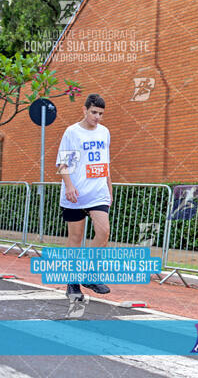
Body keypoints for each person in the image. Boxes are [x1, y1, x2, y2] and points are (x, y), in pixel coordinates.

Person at [56, 94, 112, 300]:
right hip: (75, 195)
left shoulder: (104, 132)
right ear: (84, 110)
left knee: (103, 232)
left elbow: (106, 164)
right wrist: (69, 186)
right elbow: (63, 164)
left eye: (101, 114)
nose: (97, 117)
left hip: (98, 193)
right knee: (75, 239)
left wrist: (109, 189)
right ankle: (72, 284)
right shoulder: (73, 132)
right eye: (94, 112)